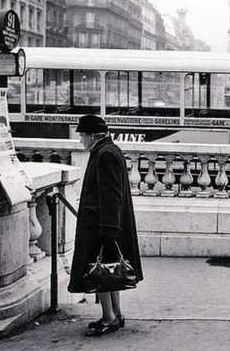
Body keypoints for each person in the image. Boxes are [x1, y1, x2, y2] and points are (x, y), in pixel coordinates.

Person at [68, 114, 143, 336]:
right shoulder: (110, 150)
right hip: (106, 224)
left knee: (98, 272)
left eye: (83, 135)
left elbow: (111, 195)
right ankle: (115, 315)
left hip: (101, 225)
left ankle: (108, 318)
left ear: (93, 136)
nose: (81, 139)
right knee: (109, 271)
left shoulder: (104, 155)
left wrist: (108, 229)